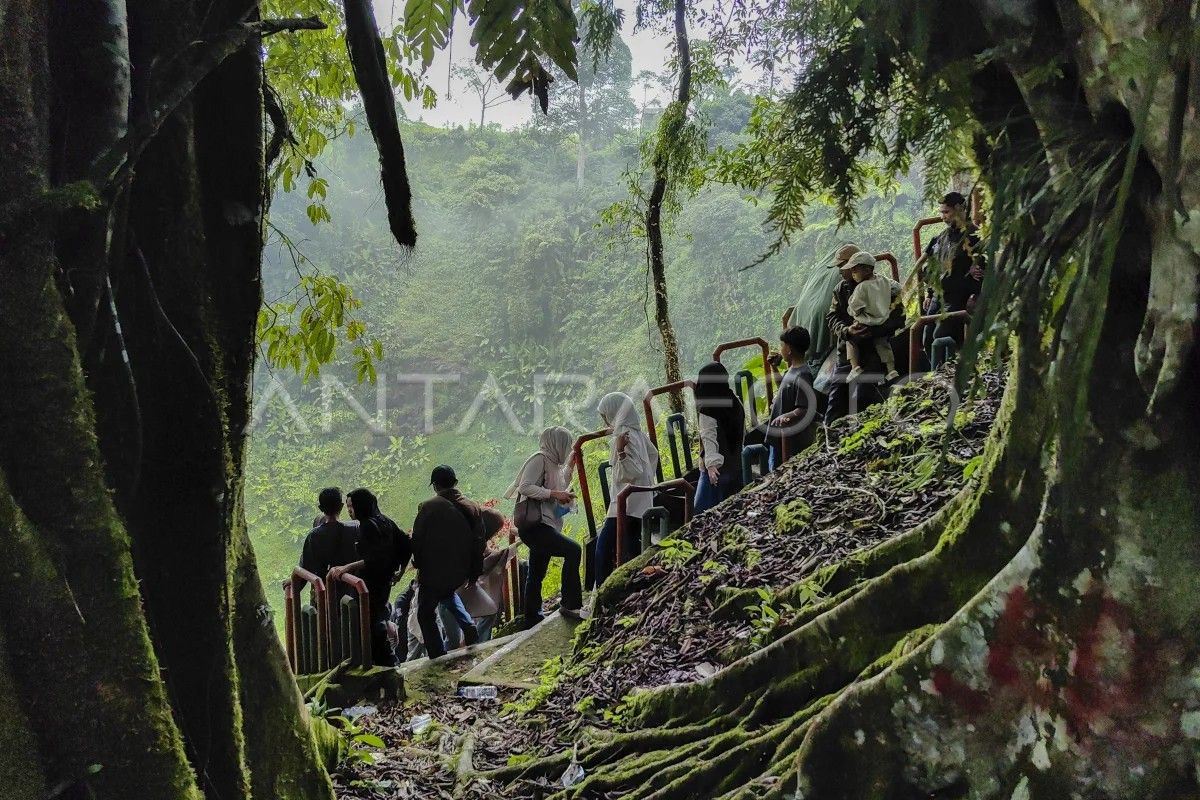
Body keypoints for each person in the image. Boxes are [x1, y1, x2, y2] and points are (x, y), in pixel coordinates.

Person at [509, 426, 583, 629]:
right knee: (573, 550)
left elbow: (558, 485)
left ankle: (532, 617)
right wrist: (553, 494)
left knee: (536, 573)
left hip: (545, 524)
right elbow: (525, 487)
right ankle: (570, 603)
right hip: (536, 526)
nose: (567, 448)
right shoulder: (539, 459)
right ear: (556, 443)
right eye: (565, 444)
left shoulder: (555, 464)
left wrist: (570, 468)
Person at [330, 488, 411, 667]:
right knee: (376, 618)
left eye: (352, 506)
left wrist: (347, 567)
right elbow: (406, 544)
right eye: (348, 506)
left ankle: (387, 663)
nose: (349, 510)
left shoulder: (367, 526)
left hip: (371, 583)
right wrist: (400, 572)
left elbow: (374, 558)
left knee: (371, 622)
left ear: (361, 506)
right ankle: (385, 660)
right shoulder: (385, 520)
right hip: (384, 582)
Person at [824, 245, 905, 424]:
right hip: (846, 352)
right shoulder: (840, 290)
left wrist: (872, 331)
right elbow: (832, 317)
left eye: (843, 266)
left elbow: (899, 316)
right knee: (835, 401)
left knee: (863, 396)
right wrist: (846, 331)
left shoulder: (885, 286)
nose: (841, 271)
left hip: (873, 351)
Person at [409, 466, 481, 658]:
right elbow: (479, 541)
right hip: (459, 571)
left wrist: (417, 562)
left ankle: (437, 655)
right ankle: (468, 624)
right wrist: (474, 572)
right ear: (455, 483)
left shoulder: (428, 506)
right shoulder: (472, 506)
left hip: (433, 572)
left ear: (435, 486)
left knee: (425, 613)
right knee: (447, 593)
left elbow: (417, 539)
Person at [913, 191, 984, 369]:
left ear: (959, 209)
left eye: (946, 212)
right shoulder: (940, 239)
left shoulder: (974, 236)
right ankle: (937, 375)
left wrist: (976, 295)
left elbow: (983, 270)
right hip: (939, 296)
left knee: (940, 337)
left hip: (959, 298)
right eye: (941, 213)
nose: (943, 217)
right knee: (927, 337)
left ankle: (949, 374)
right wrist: (929, 293)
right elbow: (931, 268)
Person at [594, 393, 659, 586]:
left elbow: (628, 472)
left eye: (606, 416)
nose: (605, 421)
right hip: (640, 499)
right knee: (631, 543)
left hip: (625, 502)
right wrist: (648, 483)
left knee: (603, 548)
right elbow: (653, 454)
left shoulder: (622, 437)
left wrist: (621, 452)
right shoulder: (637, 431)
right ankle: (636, 583)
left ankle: (603, 593)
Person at [692, 362, 745, 514]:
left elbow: (708, 436)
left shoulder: (707, 409)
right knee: (730, 507)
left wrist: (711, 465)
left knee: (701, 512)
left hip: (714, 471)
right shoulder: (734, 400)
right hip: (734, 464)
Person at [844, 252, 901, 381]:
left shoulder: (861, 287)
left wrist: (852, 312)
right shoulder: (884, 280)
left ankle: (855, 367)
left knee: (850, 340)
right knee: (883, 344)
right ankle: (891, 370)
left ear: (867, 269)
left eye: (855, 270)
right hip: (883, 319)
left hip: (866, 322)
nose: (852, 273)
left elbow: (854, 307)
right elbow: (897, 288)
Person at [767, 326, 818, 469]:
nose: (780, 348)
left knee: (777, 469)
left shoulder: (803, 374)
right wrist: (774, 368)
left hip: (788, 437)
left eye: (782, 345)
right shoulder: (793, 369)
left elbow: (805, 408)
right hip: (778, 435)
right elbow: (782, 387)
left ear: (789, 349)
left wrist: (785, 416)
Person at [299, 487, 360, 585]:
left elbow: (306, 568)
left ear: (320, 508)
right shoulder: (354, 529)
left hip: (323, 589)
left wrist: (293, 583)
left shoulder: (314, 536)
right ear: (341, 506)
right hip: (350, 587)